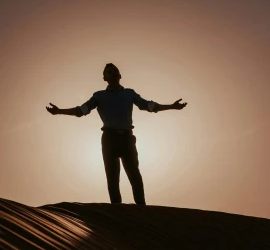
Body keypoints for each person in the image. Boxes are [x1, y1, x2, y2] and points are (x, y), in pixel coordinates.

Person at [46, 63, 187, 205]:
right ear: (104, 78)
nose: (112, 73)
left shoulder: (129, 93)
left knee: (135, 176)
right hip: (109, 139)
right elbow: (81, 111)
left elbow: (149, 106)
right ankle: (116, 210)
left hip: (127, 138)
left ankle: (143, 210)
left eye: (115, 71)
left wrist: (172, 106)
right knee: (112, 178)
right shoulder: (99, 96)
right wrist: (59, 111)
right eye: (109, 71)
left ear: (120, 76)